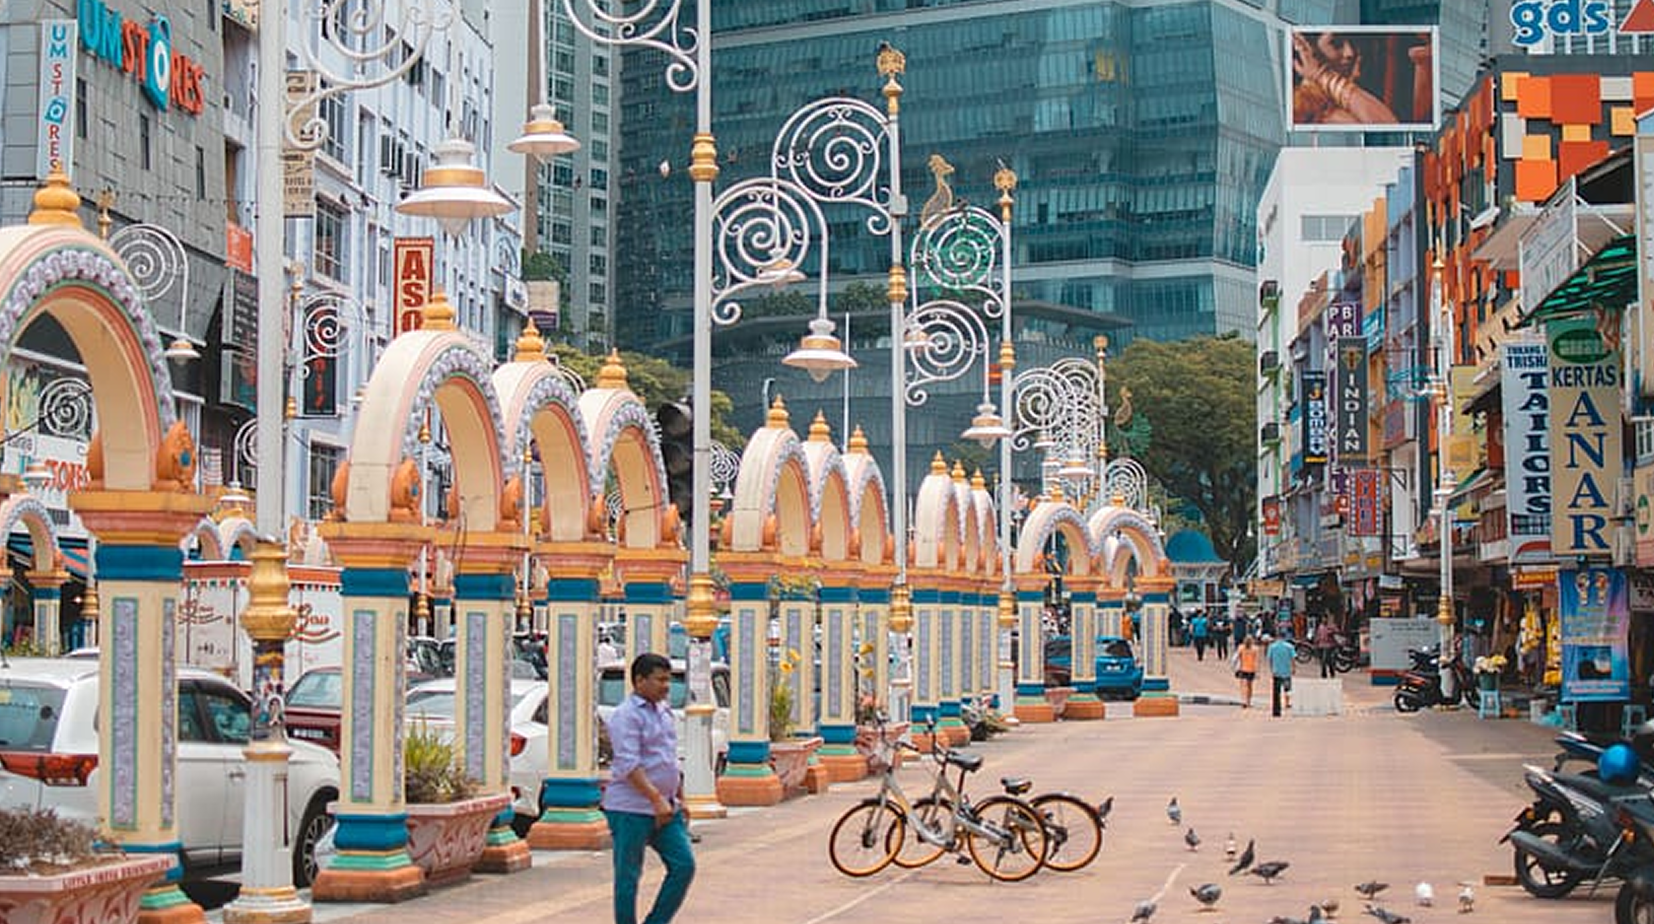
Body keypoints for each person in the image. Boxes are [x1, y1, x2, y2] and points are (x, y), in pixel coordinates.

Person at [603, 652, 695, 924]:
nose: (666, 686)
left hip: (666, 807)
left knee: (683, 866)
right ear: (639, 681)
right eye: (660, 680)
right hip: (631, 808)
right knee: (628, 876)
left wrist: (679, 797)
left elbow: (668, 758)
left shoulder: (664, 712)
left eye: (668, 680)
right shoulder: (626, 715)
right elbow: (628, 764)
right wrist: (655, 798)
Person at [1291, 31, 1402, 125]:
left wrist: (1324, 77)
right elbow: (1388, 125)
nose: (1350, 53)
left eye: (1352, 43)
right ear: (1308, 50)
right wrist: (1321, 75)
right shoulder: (1299, 107)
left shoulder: (1359, 94)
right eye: (1336, 44)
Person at [1266, 633, 1296, 718]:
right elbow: (1293, 658)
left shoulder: (1272, 647)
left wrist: (1271, 669)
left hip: (1276, 672)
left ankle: (1276, 711)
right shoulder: (1290, 646)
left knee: (1276, 693)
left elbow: (1270, 659)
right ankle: (1287, 704)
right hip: (1287, 672)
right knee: (1287, 689)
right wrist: (1293, 668)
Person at [1233, 635, 1260, 709]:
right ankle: (1248, 701)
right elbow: (1256, 661)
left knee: (1243, 686)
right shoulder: (1255, 649)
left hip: (1243, 669)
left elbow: (1235, 658)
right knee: (1250, 687)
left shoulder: (1241, 648)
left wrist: (1235, 667)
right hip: (1251, 669)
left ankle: (1244, 700)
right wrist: (1257, 671)